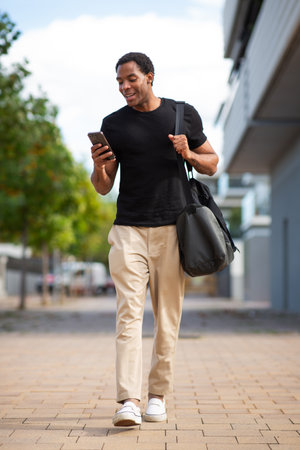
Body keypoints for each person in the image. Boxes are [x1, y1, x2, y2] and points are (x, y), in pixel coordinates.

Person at [90, 52, 218, 427]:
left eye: (131, 79)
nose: (124, 87)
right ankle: (128, 400)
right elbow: (103, 187)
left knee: (167, 319)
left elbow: (212, 162)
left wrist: (188, 152)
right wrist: (98, 166)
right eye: (119, 82)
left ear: (149, 77)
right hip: (128, 229)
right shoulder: (113, 124)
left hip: (172, 230)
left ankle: (157, 396)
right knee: (128, 316)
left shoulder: (181, 114)